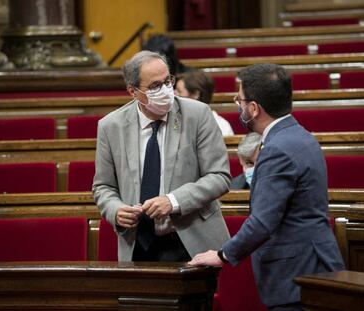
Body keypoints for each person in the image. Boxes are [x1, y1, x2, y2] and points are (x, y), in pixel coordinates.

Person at [189, 63, 345, 310]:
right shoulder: (301, 135)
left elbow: (263, 221)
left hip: (296, 275)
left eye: (239, 100)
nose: (238, 105)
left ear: (253, 108)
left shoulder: (277, 149)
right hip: (314, 266)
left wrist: (221, 255)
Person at [93, 50, 231, 262]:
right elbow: (103, 187)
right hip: (138, 245)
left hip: (190, 240)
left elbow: (219, 176)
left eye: (168, 81)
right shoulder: (111, 126)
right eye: (155, 86)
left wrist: (173, 201)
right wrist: (116, 211)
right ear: (133, 91)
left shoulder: (198, 114)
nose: (166, 90)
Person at [175, 69, 234, 136]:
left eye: (179, 91)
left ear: (195, 94)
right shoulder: (175, 121)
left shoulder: (221, 126)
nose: (174, 94)